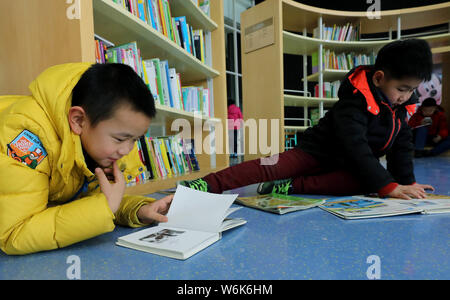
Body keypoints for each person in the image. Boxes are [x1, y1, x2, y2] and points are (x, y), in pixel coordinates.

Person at [179, 39, 435, 200]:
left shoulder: (401, 109)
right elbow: (355, 146)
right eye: (402, 89)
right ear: (379, 78)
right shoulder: (354, 102)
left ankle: (288, 187)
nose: (406, 96)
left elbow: (402, 147)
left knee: (370, 182)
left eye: (412, 90)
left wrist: (405, 182)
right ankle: (204, 184)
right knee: (270, 165)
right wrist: (388, 186)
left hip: (347, 165)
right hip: (314, 152)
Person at [0, 63, 173, 255]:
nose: (127, 149)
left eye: (135, 139)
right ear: (78, 120)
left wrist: (138, 210)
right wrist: (103, 208)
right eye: (121, 139)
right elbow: (13, 233)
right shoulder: (24, 138)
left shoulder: (96, 142)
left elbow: (85, 200)